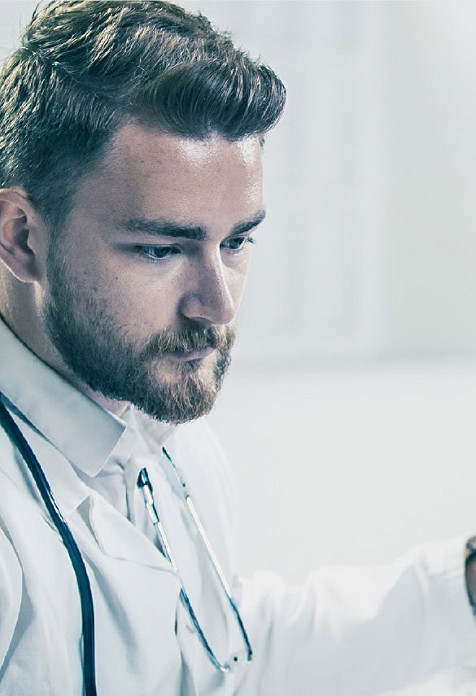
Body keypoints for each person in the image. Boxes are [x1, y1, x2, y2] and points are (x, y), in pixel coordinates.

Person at [0, 1, 475, 694]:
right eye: (162, 248)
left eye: (237, 242)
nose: (217, 305)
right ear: (18, 236)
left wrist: (463, 588)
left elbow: (222, 660)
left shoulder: (160, 423)